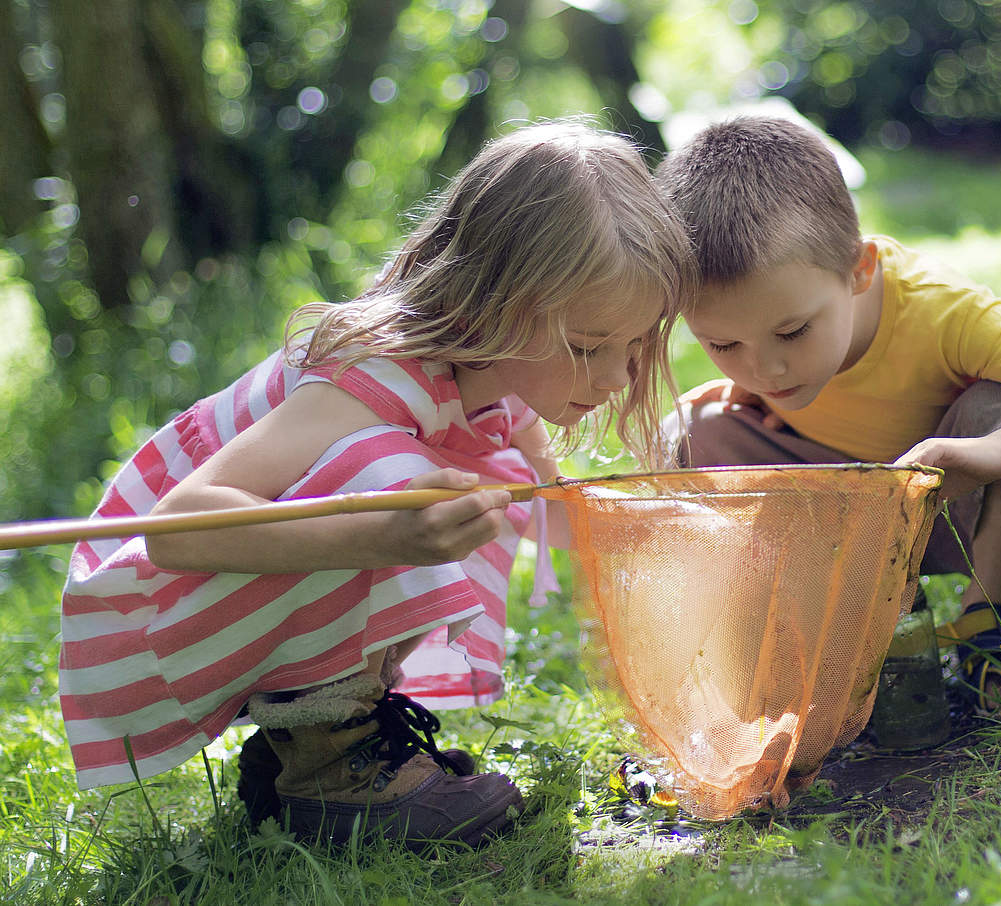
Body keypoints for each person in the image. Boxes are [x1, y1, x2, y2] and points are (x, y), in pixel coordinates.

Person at [59, 120, 695, 848]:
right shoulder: (373, 377)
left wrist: (663, 539)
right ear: (497, 302)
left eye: (635, 347)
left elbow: (560, 512)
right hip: (141, 613)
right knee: (400, 481)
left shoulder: (500, 378)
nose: (617, 379)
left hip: (218, 605)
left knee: (482, 483)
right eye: (587, 347)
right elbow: (180, 529)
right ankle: (334, 772)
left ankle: (306, 745)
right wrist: (386, 534)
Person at [655, 114, 1001, 715]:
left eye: (792, 332)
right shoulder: (769, 343)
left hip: (966, 512)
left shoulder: (942, 312)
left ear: (860, 268)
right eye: (724, 346)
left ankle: (992, 622)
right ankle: (831, 628)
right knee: (693, 432)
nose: (766, 371)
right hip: (855, 522)